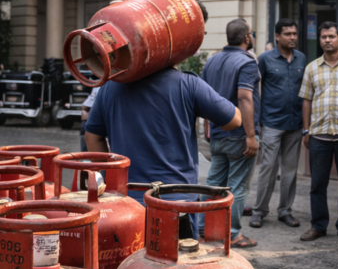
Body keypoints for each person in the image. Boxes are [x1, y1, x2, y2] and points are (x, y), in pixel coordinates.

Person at [83, 66, 241, 237]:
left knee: (128, 254)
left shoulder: (110, 88)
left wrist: (111, 177)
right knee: (178, 254)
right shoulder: (188, 84)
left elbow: (92, 137)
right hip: (178, 203)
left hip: (125, 203)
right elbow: (234, 120)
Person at [298, 21, 338, 242]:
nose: (327, 40)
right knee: (317, 184)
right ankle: (318, 226)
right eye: (324, 36)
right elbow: (306, 100)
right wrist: (306, 130)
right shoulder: (312, 68)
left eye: (331, 36)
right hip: (319, 135)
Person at [200, 18, 260, 248]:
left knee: (214, 184)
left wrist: (207, 125)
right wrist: (251, 136)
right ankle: (233, 234)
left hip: (217, 134)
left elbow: (204, 97)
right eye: (251, 33)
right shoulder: (247, 62)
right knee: (237, 186)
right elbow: (244, 97)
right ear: (246, 37)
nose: (252, 37)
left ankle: (203, 230)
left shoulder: (212, 61)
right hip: (239, 135)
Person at [250, 18, 307, 229]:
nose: (292, 37)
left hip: (295, 123)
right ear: (277, 36)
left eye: (294, 33)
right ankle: (259, 211)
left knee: (290, 171)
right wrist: (256, 121)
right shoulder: (265, 59)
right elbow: (255, 91)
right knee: (268, 168)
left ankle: (285, 211)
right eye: (287, 34)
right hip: (271, 122)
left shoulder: (302, 58)